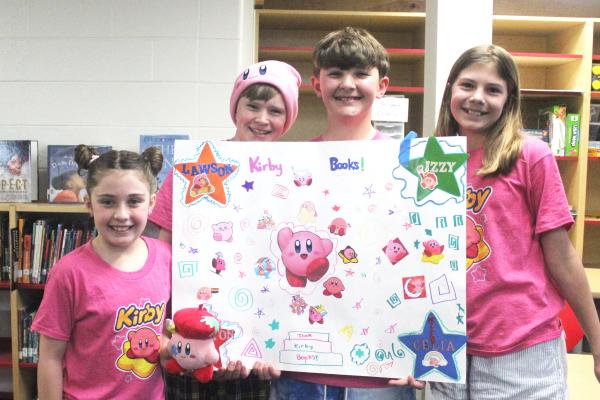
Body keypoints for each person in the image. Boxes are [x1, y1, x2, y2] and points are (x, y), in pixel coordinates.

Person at [430, 44, 600, 399]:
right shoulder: (430, 161)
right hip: (448, 345)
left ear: (509, 100)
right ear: (450, 91)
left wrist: (597, 339)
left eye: (493, 90)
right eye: (467, 85)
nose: (477, 98)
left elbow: (562, 256)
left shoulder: (531, 157)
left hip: (521, 348)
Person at [268, 26, 417, 400]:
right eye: (335, 73)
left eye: (360, 73)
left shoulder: (410, 166)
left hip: (382, 373)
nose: (347, 84)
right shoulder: (287, 166)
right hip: (299, 367)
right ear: (316, 84)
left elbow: (423, 259)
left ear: (382, 85)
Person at [149, 59, 301, 399]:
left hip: (260, 349)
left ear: (287, 120)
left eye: (275, 111)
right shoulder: (191, 170)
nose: (263, 119)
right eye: (253, 106)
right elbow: (163, 255)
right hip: (189, 341)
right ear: (236, 109)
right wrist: (162, 331)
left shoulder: (294, 176)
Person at [32, 145, 171, 400]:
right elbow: (51, 357)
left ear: (151, 203)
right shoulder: (69, 273)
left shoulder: (166, 259)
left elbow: (171, 328)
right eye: (107, 202)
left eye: (134, 201)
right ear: (89, 204)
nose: (121, 214)